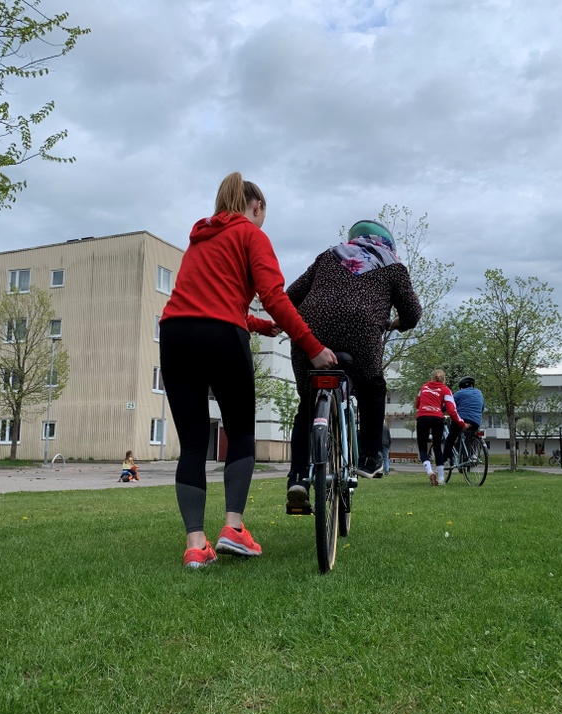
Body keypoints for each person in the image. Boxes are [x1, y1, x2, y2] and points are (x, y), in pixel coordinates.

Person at [160, 172, 336, 568]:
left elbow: (209, 299)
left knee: (191, 444)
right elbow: (272, 295)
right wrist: (313, 348)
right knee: (240, 433)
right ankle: (233, 529)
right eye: (263, 215)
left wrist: (257, 325)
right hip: (221, 336)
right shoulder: (251, 235)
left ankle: (195, 545)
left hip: (174, 333)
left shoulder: (199, 241)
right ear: (256, 207)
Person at [285, 219, 421, 512]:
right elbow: (412, 313)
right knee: (372, 388)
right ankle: (370, 457)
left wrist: (314, 315)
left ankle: (297, 477)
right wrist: (395, 324)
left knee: (307, 407)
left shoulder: (328, 255)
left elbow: (289, 297)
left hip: (311, 338)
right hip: (362, 337)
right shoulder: (392, 263)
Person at [415, 369, 468, 486]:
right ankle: (441, 479)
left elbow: (417, 403)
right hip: (437, 418)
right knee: (437, 447)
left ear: (432, 377)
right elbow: (451, 410)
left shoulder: (424, 387)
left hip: (423, 417)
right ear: (443, 379)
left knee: (423, 447)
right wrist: (461, 423)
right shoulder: (445, 390)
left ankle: (429, 472)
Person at [443, 376, 485, 470]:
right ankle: (473, 454)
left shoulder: (459, 393)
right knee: (471, 435)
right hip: (476, 421)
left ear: (461, 386)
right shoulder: (479, 393)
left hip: (462, 420)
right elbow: (482, 408)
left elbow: (448, 406)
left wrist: (439, 410)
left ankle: (445, 461)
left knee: (451, 437)